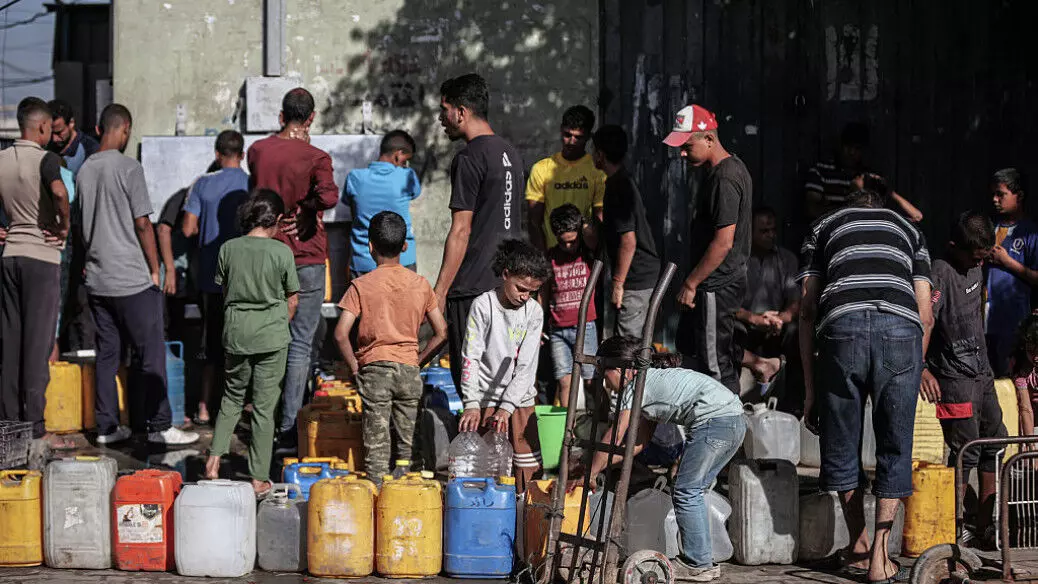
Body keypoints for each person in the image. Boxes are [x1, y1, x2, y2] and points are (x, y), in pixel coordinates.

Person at [800, 188, 933, 583]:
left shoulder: (824, 226)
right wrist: (914, 364)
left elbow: (807, 309)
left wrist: (809, 390)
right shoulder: (909, 229)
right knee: (894, 446)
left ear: (849, 208)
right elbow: (925, 313)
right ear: (881, 210)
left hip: (842, 330)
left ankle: (857, 544)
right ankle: (878, 559)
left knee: (841, 445)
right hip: (900, 331)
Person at [569, 336, 745, 582]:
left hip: (716, 423)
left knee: (686, 490)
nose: (604, 381)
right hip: (733, 421)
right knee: (691, 490)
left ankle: (699, 564)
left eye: (604, 372)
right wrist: (600, 466)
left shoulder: (635, 386)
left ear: (620, 370)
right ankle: (704, 560)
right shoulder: (648, 383)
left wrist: (590, 471)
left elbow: (615, 434)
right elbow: (635, 445)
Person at [75, 103, 199, 446]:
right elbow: (143, 223)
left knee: (108, 355)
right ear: (124, 129)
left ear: (101, 129)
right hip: (131, 278)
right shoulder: (129, 167)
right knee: (150, 352)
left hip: (98, 280)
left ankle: (107, 428)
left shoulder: (83, 171)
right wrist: (155, 268)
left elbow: (82, 227)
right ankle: (159, 425)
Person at [247, 87, 338, 448]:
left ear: (282, 116)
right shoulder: (316, 157)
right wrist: (306, 208)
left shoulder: (257, 152)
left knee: (269, 341)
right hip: (306, 255)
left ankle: (262, 422)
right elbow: (329, 197)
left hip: (266, 254)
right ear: (311, 117)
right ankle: (288, 430)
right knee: (301, 344)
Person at [333, 211, 448, 483]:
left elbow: (340, 334)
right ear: (405, 246)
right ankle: (410, 492)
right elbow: (441, 332)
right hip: (409, 368)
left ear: (369, 246)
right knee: (409, 444)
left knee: (377, 443)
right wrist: (417, 359)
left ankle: (375, 498)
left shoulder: (361, 285)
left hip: (374, 370)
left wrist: (354, 366)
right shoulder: (420, 284)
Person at [205, 189, 300, 498]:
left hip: (236, 334)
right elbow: (293, 300)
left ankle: (213, 460)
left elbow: (224, 291)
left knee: (231, 398)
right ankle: (258, 478)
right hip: (271, 336)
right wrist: (274, 325)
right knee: (263, 408)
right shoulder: (281, 252)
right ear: (275, 221)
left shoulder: (228, 249)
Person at [433, 73, 524, 389]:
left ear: (460, 111)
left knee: (473, 390)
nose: (442, 120)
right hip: (506, 286)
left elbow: (460, 230)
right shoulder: (510, 153)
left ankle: (482, 441)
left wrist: (440, 292)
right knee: (503, 386)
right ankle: (502, 441)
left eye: (444, 110)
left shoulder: (469, 158)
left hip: (472, 289)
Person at [922, 210, 1006, 546]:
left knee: (994, 443)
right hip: (954, 380)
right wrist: (921, 368)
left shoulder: (979, 265)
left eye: (984, 256)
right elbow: (925, 321)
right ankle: (956, 531)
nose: (979, 262)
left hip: (982, 374)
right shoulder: (940, 273)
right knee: (964, 452)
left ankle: (984, 526)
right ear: (953, 246)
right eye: (974, 256)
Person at [0, 97, 72, 449]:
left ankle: (10, 425)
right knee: (37, 344)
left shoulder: (1, 159)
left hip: (9, 256)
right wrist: (63, 225)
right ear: (43, 127)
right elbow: (59, 193)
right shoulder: (47, 159)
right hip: (41, 259)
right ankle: (36, 427)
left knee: (11, 344)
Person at [664, 105, 751, 393]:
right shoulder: (721, 171)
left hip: (716, 284)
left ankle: (725, 433)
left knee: (716, 367)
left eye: (688, 146)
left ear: (709, 140)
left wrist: (691, 283)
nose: (683, 154)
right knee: (695, 351)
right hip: (712, 285)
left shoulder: (725, 178)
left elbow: (724, 242)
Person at [458, 239, 551, 491]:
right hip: (485, 400)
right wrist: (472, 403)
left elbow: (526, 367)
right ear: (506, 274)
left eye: (531, 292)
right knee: (487, 474)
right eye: (521, 288)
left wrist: (507, 408)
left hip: (520, 402)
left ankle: (523, 524)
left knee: (527, 475)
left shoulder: (533, 312)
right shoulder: (483, 305)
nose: (525, 296)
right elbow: (471, 357)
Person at [182, 131, 249, 424]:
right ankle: (244, 406)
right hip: (247, 278)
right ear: (242, 155)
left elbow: (187, 229)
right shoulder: (252, 184)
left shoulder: (202, 184)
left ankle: (204, 408)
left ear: (217, 154)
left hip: (212, 279)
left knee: (211, 345)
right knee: (245, 343)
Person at [592, 124, 660, 337]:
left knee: (627, 344)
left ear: (600, 154)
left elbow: (628, 240)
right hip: (640, 274)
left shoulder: (618, 186)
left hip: (636, 277)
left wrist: (618, 283)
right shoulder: (620, 181)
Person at [804, 122, 922, 223]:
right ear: (840, 145)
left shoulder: (867, 177)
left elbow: (916, 216)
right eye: (848, 147)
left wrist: (888, 191)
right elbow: (812, 210)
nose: (851, 152)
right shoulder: (821, 171)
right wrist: (852, 204)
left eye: (857, 148)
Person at [342, 130, 422, 277]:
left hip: (364, 261)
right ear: (398, 154)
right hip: (402, 260)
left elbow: (353, 212)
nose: (405, 165)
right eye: (405, 160)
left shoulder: (355, 178)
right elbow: (415, 193)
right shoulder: (407, 175)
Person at [525, 105, 605, 251]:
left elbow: (600, 219)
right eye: (568, 135)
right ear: (561, 130)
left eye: (578, 137)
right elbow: (534, 222)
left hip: (584, 257)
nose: (571, 141)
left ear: (588, 137)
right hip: (552, 254)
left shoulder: (597, 171)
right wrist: (544, 260)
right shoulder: (542, 169)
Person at [542, 203, 598, 408]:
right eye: (562, 242)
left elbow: (593, 238)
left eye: (572, 242)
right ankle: (568, 432)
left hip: (585, 327)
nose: (568, 247)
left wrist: (582, 223)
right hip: (557, 330)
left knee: (592, 380)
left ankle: (601, 423)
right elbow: (544, 292)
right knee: (565, 381)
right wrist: (540, 322)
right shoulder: (550, 257)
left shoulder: (588, 253)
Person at [735, 207, 796, 392]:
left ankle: (792, 400)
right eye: (763, 231)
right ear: (750, 232)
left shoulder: (786, 259)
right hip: (745, 321)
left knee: (796, 332)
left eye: (773, 230)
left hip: (775, 324)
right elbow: (726, 304)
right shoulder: (737, 260)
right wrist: (753, 319)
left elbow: (796, 301)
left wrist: (780, 319)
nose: (770, 235)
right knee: (729, 331)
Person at [985, 168, 1038, 377]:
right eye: (993, 194)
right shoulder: (989, 228)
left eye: (1001, 194)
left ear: (1019, 195)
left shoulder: (1030, 232)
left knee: (1010, 380)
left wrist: (1008, 262)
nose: (995, 199)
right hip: (984, 321)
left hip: (1013, 323)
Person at [47, 99, 99, 176]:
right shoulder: (46, 147)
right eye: (51, 133)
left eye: (59, 133)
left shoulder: (91, 150)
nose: (54, 139)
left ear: (71, 123)